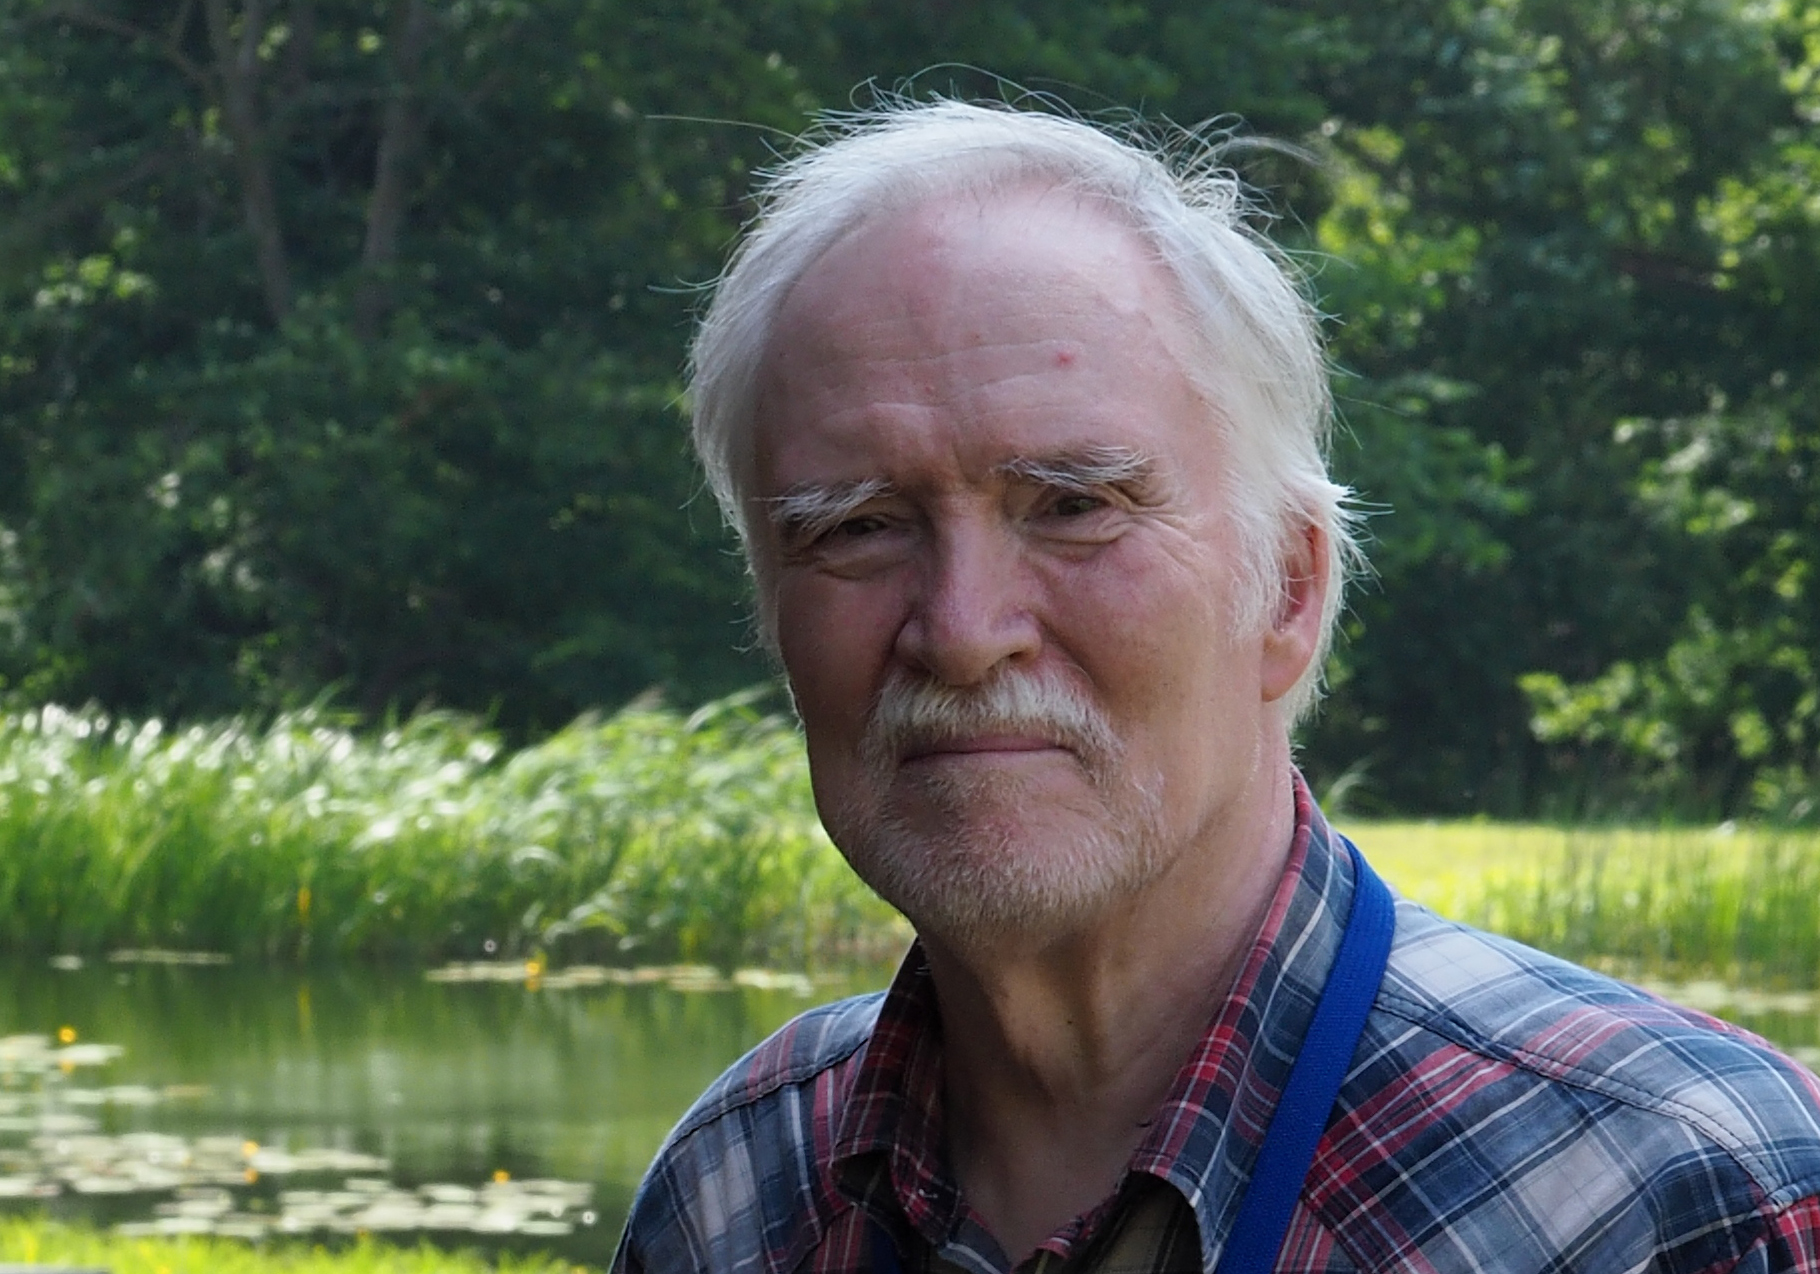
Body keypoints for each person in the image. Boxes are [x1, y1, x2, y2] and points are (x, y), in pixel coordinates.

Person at [611, 100, 1820, 1273]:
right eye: (857, 525)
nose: (963, 631)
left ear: (1285, 588)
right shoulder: (737, 1193)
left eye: (1072, 504)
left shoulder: (1685, 1200)